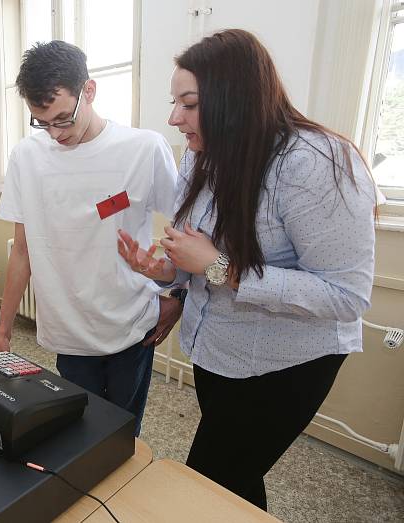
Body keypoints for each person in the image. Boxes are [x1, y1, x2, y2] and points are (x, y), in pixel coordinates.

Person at [117, 29, 376, 510]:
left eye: (188, 104)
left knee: (208, 484)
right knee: (236, 478)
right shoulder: (201, 158)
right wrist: (164, 273)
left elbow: (345, 297)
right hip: (218, 351)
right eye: (174, 102)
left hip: (289, 364)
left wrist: (218, 267)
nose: (174, 118)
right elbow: (191, 254)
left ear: (234, 97)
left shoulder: (315, 162)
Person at [0, 40, 182, 437]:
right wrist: (2, 335)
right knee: (79, 433)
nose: (55, 134)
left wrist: (179, 298)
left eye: (62, 119)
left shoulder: (143, 149)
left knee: (123, 434)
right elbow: (22, 251)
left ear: (88, 91)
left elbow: (189, 233)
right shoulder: (26, 157)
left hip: (131, 326)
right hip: (67, 331)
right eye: (42, 122)